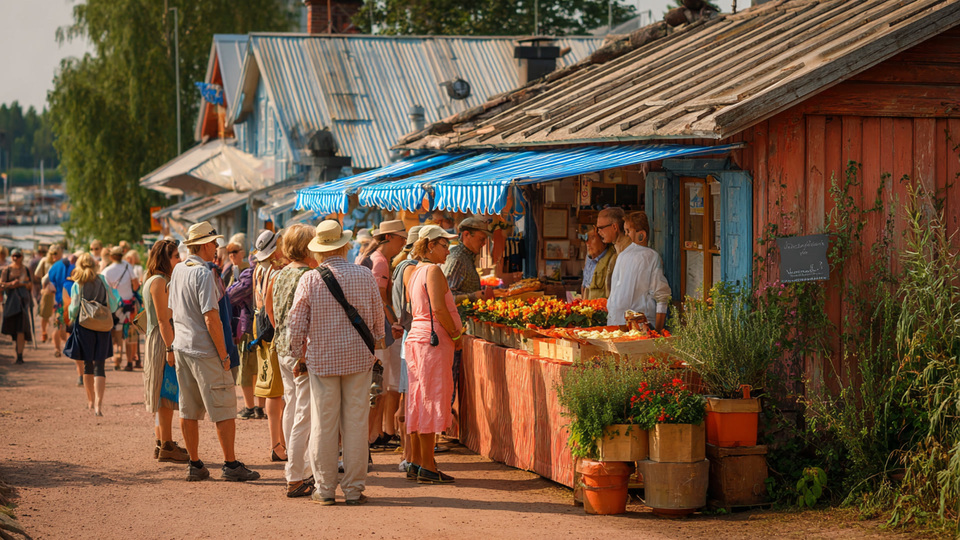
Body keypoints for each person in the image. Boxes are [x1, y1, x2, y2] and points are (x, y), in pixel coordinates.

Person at [288, 220, 385, 505]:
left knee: (323, 424)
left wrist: (298, 354)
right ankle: (354, 490)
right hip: (358, 358)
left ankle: (325, 489)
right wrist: (376, 340)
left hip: (322, 361)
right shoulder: (364, 275)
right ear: (344, 246)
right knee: (356, 423)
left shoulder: (310, 278)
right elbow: (378, 321)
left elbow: (296, 324)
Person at [168, 221, 260, 482]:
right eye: (214, 243)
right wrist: (223, 354)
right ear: (205, 245)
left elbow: (173, 309)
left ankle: (195, 464)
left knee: (188, 409)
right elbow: (211, 318)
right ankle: (230, 464)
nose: (217, 247)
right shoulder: (203, 273)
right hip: (204, 349)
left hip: (183, 345)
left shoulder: (178, 270)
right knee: (224, 408)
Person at [403, 225, 462, 484]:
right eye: (443, 244)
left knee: (417, 398)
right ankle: (427, 464)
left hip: (418, 337)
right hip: (433, 340)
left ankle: (417, 461)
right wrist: (457, 336)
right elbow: (439, 309)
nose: (447, 250)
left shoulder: (414, 271)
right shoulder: (434, 270)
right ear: (429, 245)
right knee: (430, 398)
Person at [272, 224, 318, 498]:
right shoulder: (308, 275)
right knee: (304, 411)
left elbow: (270, 310)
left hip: (282, 346)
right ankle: (296, 473)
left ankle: (295, 465)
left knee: (292, 406)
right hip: (301, 348)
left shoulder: (280, 274)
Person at [142, 239, 190, 463]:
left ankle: (162, 442)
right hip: (163, 339)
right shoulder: (160, 281)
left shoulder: (151, 279)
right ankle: (167, 444)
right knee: (166, 393)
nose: (179, 260)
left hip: (156, 338)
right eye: (175, 256)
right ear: (165, 258)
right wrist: (171, 348)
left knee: (162, 390)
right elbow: (163, 319)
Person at [366, 220, 407, 450]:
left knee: (378, 387)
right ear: (389, 237)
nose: (403, 244)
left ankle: (376, 432)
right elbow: (380, 299)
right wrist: (394, 323)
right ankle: (373, 435)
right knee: (378, 387)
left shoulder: (375, 258)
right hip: (379, 332)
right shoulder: (380, 262)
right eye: (401, 239)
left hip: (376, 331)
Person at [64, 253, 120, 415]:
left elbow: (74, 307)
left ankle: (90, 400)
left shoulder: (78, 283)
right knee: (100, 365)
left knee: (88, 364)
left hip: (84, 325)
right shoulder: (102, 280)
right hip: (102, 325)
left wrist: (71, 319)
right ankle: (98, 405)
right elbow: (114, 304)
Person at [252, 229, 287, 461]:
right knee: (276, 393)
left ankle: (277, 442)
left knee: (271, 389)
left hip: (260, 329)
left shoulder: (258, 269)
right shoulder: (275, 272)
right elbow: (272, 307)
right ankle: (277, 445)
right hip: (272, 331)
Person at [606, 211, 672, 330]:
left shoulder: (651, 257)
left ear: (641, 234)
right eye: (625, 231)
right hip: (617, 324)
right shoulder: (622, 256)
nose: (626, 235)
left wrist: (658, 331)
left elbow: (662, 296)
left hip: (639, 326)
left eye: (628, 231)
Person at [391, 225, 422, 472]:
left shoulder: (402, 266)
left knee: (406, 401)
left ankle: (408, 455)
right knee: (410, 403)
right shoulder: (411, 268)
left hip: (407, 339)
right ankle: (410, 456)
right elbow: (414, 307)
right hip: (412, 338)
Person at [226, 253, 263, 420]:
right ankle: (260, 407)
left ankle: (249, 407)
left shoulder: (250, 274)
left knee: (247, 369)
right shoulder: (271, 271)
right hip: (266, 328)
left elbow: (230, 296)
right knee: (262, 367)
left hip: (248, 326)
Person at [103, 245, 140, 371]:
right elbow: (135, 284)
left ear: (111, 256)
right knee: (130, 334)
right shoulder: (127, 266)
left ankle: (117, 359)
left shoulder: (107, 271)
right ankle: (129, 362)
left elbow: (105, 290)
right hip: (129, 305)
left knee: (117, 335)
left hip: (115, 306)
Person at [1, 249, 34, 364]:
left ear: (22, 257)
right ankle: (17, 352)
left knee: (21, 330)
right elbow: (1, 285)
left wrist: (22, 284)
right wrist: (11, 285)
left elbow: (30, 285)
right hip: (11, 304)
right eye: (14, 256)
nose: (15, 258)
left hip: (23, 304)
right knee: (13, 330)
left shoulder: (26, 269)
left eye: (18, 256)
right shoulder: (7, 269)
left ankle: (19, 355)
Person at [595, 207, 634, 294]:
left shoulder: (629, 253)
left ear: (614, 227)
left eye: (601, 228)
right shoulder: (617, 252)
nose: (598, 232)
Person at [49, 252, 76, 372]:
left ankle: (56, 348)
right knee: (73, 326)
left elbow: (50, 285)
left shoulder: (55, 266)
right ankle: (72, 348)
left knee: (57, 325)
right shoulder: (75, 267)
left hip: (60, 301)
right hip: (73, 302)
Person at [35, 244, 63, 342]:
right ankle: (44, 332)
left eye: (56, 253)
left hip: (59, 291)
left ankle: (54, 334)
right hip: (47, 291)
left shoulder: (62, 262)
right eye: (52, 253)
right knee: (45, 314)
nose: (53, 255)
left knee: (57, 315)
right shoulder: (44, 261)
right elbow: (37, 274)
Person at [581, 228, 615, 300]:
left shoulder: (613, 260)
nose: (587, 243)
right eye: (586, 238)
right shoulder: (589, 259)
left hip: (602, 309)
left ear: (604, 241)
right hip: (588, 307)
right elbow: (584, 286)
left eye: (592, 238)